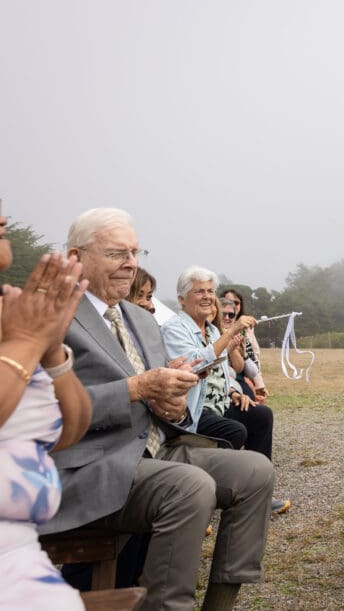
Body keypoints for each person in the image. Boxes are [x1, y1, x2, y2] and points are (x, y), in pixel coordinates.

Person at [42, 208, 275, 611]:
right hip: (90, 466)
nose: (131, 263)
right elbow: (43, 409)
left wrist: (173, 402)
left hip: (156, 449)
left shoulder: (140, 318)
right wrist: (136, 388)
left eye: (135, 252)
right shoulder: (53, 318)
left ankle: (219, 604)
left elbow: (164, 405)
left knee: (255, 471)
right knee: (190, 487)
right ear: (76, 258)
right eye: (117, 253)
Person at [1, 211, 92, 610]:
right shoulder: (19, 329)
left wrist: (52, 350)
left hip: (22, 565)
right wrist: (25, 342)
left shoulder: (12, 311)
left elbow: (68, 432)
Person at [161, 267, 290, 515]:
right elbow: (196, 363)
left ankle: (260, 494)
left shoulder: (210, 330)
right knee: (234, 431)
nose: (207, 296)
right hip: (190, 413)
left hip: (216, 405)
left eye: (210, 290)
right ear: (181, 299)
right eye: (199, 291)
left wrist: (235, 392)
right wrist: (230, 332)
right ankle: (208, 501)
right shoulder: (174, 329)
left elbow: (221, 373)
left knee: (261, 416)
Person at [221, 289, 269, 401]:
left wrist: (259, 384)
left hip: (241, 379)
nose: (227, 317)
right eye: (223, 314)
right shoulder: (212, 331)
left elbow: (254, 356)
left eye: (236, 302)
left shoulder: (246, 329)